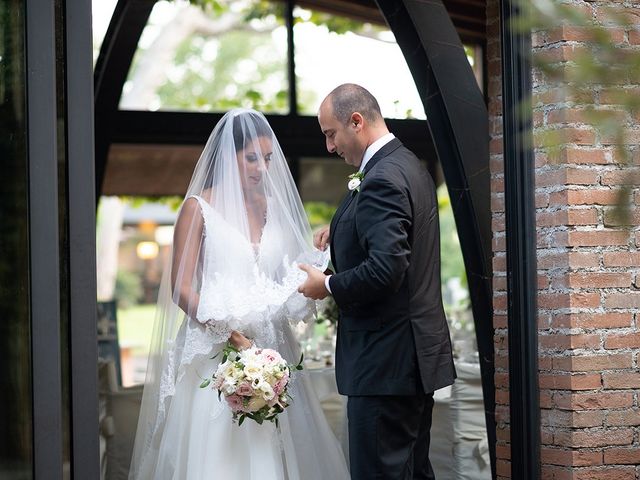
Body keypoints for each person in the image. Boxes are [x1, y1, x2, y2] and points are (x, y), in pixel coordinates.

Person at [129, 108, 350, 480]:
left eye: (266, 159)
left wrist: (322, 254)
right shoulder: (197, 209)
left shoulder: (273, 208)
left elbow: (290, 283)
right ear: (227, 157)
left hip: (274, 352)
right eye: (251, 158)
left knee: (283, 450)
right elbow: (181, 290)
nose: (261, 169)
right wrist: (230, 336)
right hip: (219, 351)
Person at [298, 83, 456, 479]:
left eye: (331, 133)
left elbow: (387, 269)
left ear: (357, 121)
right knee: (412, 472)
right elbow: (398, 243)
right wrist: (344, 231)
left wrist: (327, 285)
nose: (330, 147)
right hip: (409, 358)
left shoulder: (382, 177)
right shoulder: (407, 164)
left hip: (386, 361)